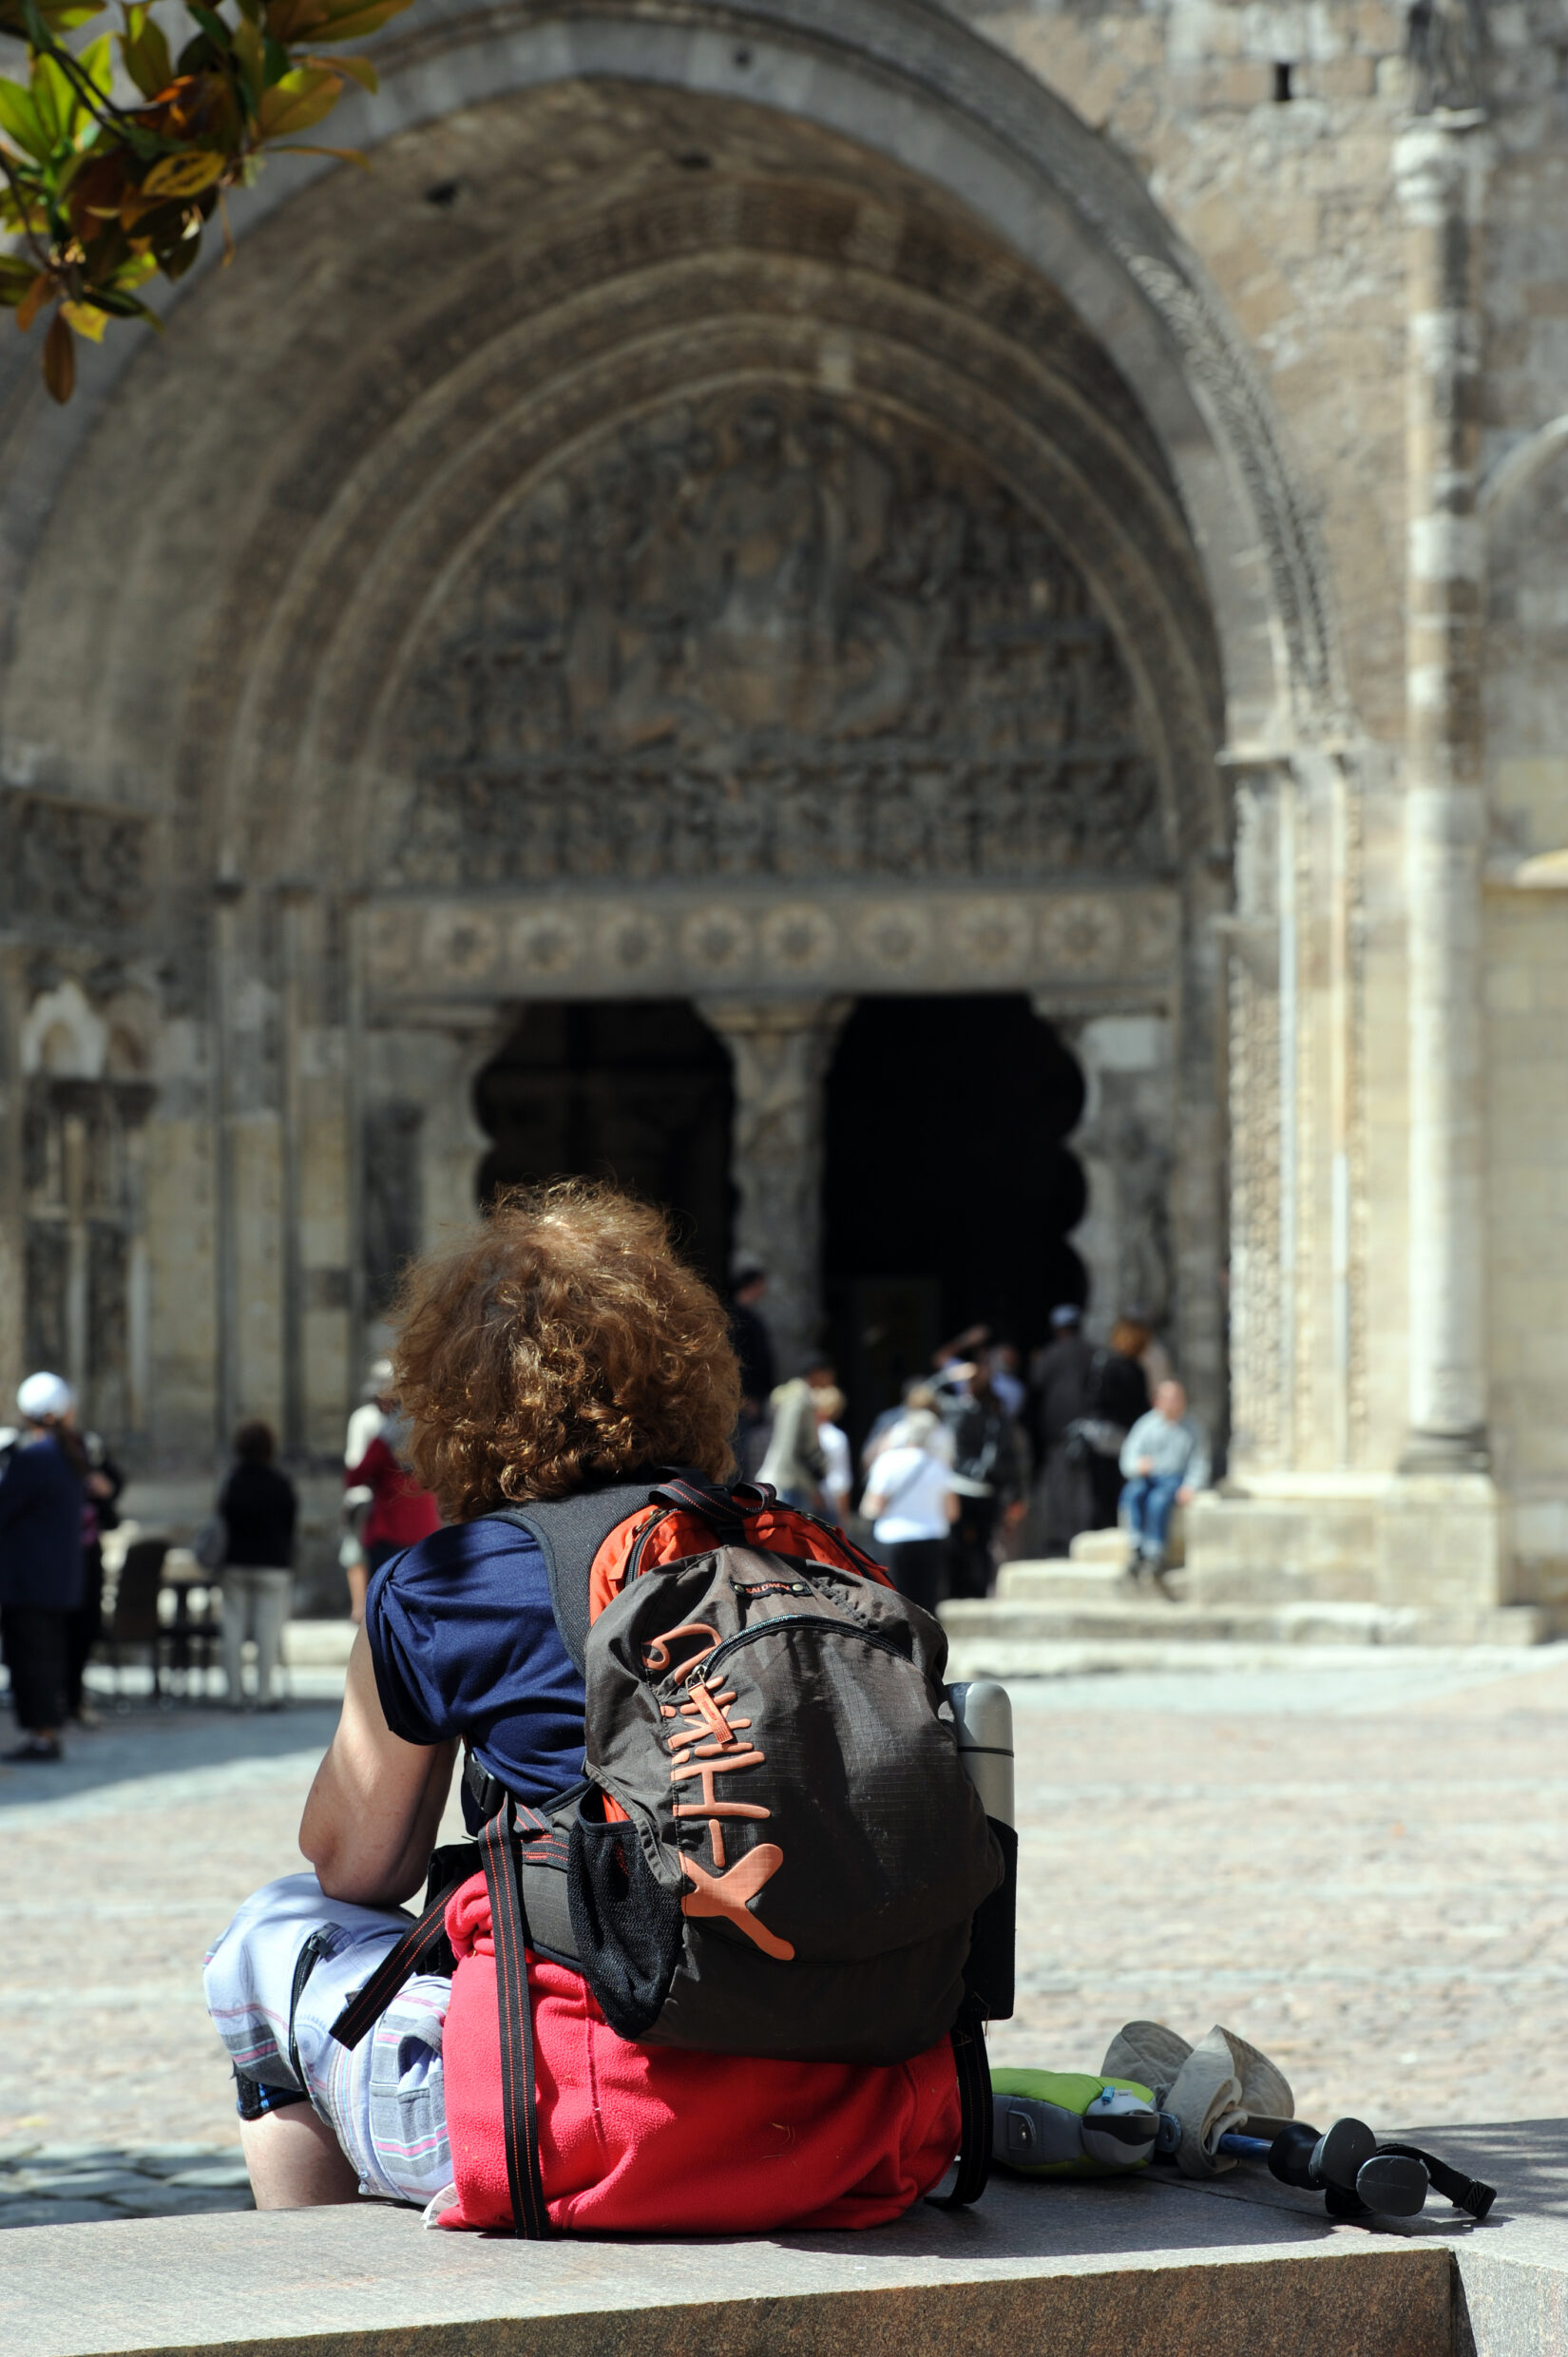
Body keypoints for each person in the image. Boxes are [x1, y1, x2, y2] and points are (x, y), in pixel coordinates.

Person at [203, 1181, 961, 2232]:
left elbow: (355, 1866)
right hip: (880, 2129)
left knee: (261, 1939)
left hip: (591, 2130)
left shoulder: (453, 1578)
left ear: (455, 1395)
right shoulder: (795, 1545)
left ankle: (332, 2303)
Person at [0, 1373, 86, 1762]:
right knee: (46, 1658)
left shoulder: (35, 1458)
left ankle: (42, 1735)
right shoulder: (67, 1455)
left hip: (30, 1581)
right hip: (57, 1580)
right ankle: (46, 1732)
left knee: (31, 1661)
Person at [342, 1361, 440, 1622]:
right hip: (425, 1526)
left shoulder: (385, 1437)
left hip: (390, 1527)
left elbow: (354, 1476)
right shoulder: (429, 1434)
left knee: (385, 1605)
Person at [218, 1423, 297, 1710]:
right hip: (272, 1563)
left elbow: (223, 1517)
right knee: (267, 1630)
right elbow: (290, 1524)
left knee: (233, 1627)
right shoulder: (280, 1482)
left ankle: (234, 1694)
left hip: (236, 1562)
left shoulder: (233, 1481)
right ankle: (264, 1694)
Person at [941, 1365, 1029, 1601]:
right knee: (982, 1546)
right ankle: (978, 1594)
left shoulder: (957, 1411)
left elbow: (924, 1392)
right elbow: (1011, 1461)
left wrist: (949, 1375)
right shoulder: (999, 1418)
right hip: (987, 1489)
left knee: (959, 1546)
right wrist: (1016, 1495)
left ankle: (957, 1594)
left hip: (960, 1486)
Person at [861, 1407, 958, 1614]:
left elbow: (872, 1507)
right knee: (926, 1605)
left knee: (896, 1603)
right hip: (931, 1537)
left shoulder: (888, 1462)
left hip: (893, 1538)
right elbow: (952, 1512)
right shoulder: (939, 1466)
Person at [1119, 1379, 1211, 1579]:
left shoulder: (1193, 1428)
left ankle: (1155, 1551)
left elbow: (1199, 1462)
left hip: (1173, 1480)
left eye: (1176, 1399)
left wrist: (1191, 1486)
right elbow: (1129, 1456)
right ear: (1157, 1401)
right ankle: (1136, 1546)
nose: (1171, 1403)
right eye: (1167, 1399)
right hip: (1148, 1478)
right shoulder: (1145, 1425)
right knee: (1133, 1494)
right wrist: (1138, 1466)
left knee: (1158, 1501)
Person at [65, 1426, 124, 1729]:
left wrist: (105, 1489)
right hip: (56, 1562)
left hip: (86, 1561)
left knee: (84, 1627)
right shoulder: (45, 1467)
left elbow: (114, 1486)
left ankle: (73, 1698)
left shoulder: (92, 1469)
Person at [1030, 1306, 1097, 1554]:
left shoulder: (1050, 1354)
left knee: (1060, 1487)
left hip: (1058, 1432)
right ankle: (1082, 1536)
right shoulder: (1092, 1352)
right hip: (1087, 1430)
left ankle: (1063, 1536)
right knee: (1083, 1486)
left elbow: (1036, 1380)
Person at [755, 1373, 829, 1511]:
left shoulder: (787, 1397)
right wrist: (821, 1471)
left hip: (773, 1479)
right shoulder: (803, 1401)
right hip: (794, 1482)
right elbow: (808, 1446)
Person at [728, 1265, 775, 1478]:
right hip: (743, 1398)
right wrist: (748, 1395)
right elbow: (741, 1358)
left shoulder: (749, 1316)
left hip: (749, 1396)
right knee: (740, 1451)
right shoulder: (737, 1317)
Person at [812, 1384, 852, 1523]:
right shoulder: (836, 1437)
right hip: (828, 1503)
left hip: (804, 1500)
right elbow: (840, 1480)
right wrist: (844, 1517)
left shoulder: (806, 1434)